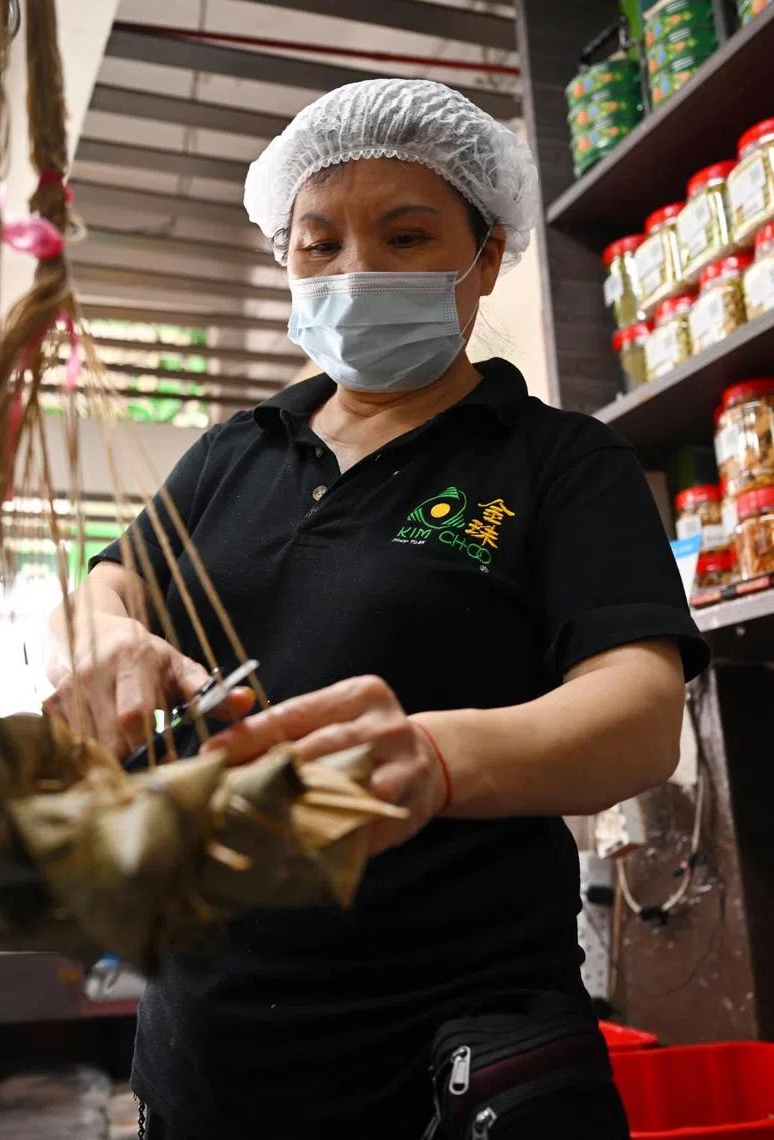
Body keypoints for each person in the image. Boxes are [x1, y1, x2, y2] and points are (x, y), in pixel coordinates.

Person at [44, 78, 707, 1140]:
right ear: (286, 261)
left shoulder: (555, 462)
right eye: (320, 244)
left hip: (450, 1063)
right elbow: (110, 579)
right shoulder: (236, 451)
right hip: (209, 1053)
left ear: (485, 258)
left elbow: (637, 713)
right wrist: (106, 635)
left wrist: (435, 761)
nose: (357, 274)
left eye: (406, 237)